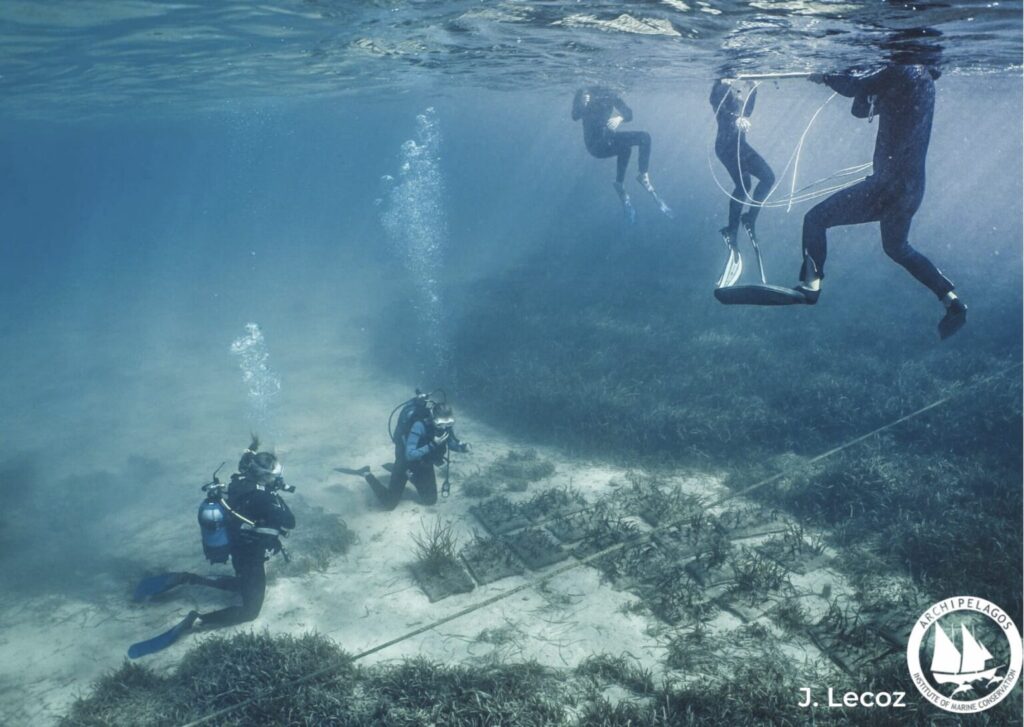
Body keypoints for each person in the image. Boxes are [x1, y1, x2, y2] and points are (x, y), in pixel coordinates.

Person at [796, 55, 966, 339]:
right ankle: (952, 301)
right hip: (911, 188)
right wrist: (865, 87)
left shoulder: (904, 68)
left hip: (887, 186)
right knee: (897, 248)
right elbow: (859, 108)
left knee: (815, 219)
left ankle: (810, 287)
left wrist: (825, 76)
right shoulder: (921, 77)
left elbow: (853, 88)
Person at [127, 439, 296, 657]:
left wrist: (267, 478)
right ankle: (198, 620)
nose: (278, 478)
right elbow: (290, 521)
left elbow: (247, 467)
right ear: (264, 476)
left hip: (235, 547)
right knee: (250, 611)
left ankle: (190, 579)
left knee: (242, 584)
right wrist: (274, 493)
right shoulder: (264, 497)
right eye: (275, 475)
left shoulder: (240, 479)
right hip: (251, 554)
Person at [572, 86, 673, 221]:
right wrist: (582, 105)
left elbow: (629, 114)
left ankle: (638, 178)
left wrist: (620, 118)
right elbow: (575, 116)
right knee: (626, 148)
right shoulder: (584, 91)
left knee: (643, 138)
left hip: (608, 138)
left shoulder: (610, 92)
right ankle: (621, 185)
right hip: (595, 146)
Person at [356, 395, 469, 510]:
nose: (444, 427)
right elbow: (409, 454)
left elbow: (450, 443)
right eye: (440, 424)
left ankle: (410, 476)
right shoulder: (419, 426)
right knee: (389, 503)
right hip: (405, 462)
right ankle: (366, 473)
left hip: (424, 463)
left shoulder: (445, 427)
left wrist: (462, 448)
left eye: (448, 423)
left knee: (430, 500)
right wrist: (433, 444)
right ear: (433, 417)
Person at [710, 77, 776, 270]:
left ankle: (749, 218)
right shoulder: (721, 90)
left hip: (740, 145)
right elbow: (718, 105)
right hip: (726, 147)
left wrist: (754, 89)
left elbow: (746, 112)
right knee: (744, 185)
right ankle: (732, 231)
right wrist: (735, 118)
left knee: (768, 178)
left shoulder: (734, 91)